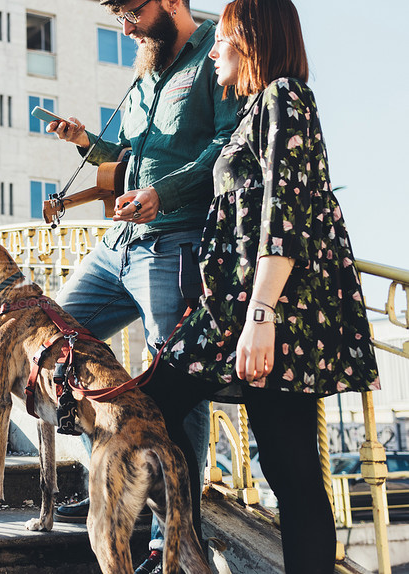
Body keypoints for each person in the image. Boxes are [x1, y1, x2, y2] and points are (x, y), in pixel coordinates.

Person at [138, 0, 380, 572]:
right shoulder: (254, 109)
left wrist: (262, 316)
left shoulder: (283, 98)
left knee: (290, 471)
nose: (213, 49)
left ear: (248, 39)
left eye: (221, 39)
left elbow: (286, 210)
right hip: (236, 308)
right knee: (277, 462)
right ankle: (178, 543)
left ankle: (175, 546)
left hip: (268, 312)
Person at [46, 1, 240, 572]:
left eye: (132, 12)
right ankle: (107, 474)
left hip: (174, 242)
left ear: (172, 2)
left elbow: (224, 147)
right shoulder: (144, 67)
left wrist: (165, 195)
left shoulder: (216, 56)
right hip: (117, 246)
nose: (125, 27)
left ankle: (169, 535)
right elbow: (130, 157)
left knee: (174, 381)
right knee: (61, 344)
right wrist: (86, 143)